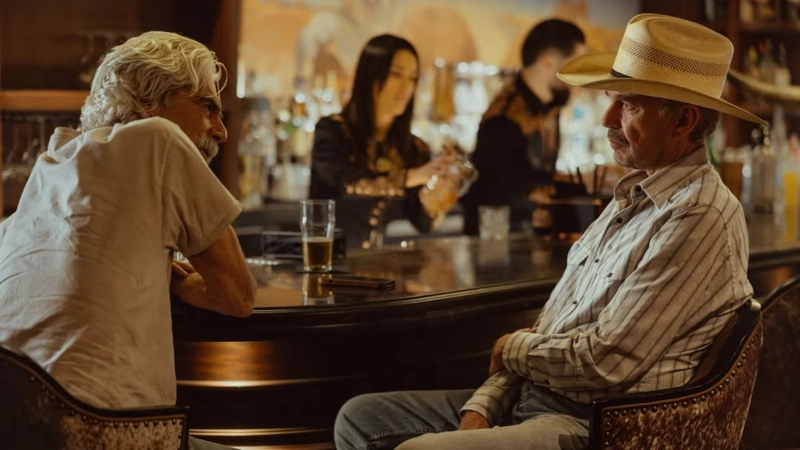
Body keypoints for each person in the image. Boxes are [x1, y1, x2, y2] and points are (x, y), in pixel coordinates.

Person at [334, 13, 766, 450]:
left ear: (684, 121)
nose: (607, 118)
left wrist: (512, 349)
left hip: (599, 425)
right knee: (359, 418)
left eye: (628, 105)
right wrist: (484, 405)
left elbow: (607, 362)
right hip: (535, 396)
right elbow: (552, 326)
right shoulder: (631, 198)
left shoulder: (699, 214)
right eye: (611, 100)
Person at [0, 32, 256, 450]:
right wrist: (174, 281)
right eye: (207, 106)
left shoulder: (53, 163)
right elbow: (236, 295)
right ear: (151, 101)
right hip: (98, 430)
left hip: (15, 423)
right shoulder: (160, 138)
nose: (222, 131)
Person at [309, 34, 453, 249]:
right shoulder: (333, 131)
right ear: (370, 76)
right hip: (328, 261)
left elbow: (424, 222)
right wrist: (411, 177)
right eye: (396, 74)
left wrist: (445, 187)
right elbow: (348, 182)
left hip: (379, 269)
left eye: (413, 78)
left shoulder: (413, 147)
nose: (406, 87)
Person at [460, 19, 586, 236]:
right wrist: (574, 183)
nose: (579, 76)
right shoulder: (504, 116)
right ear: (548, 62)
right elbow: (511, 182)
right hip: (495, 234)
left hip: (530, 227)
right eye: (575, 64)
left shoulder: (550, 105)